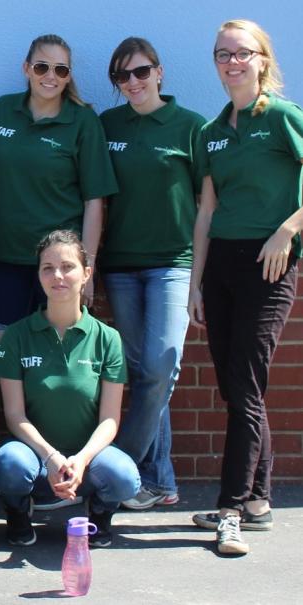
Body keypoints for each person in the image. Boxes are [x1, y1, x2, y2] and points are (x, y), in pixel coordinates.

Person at [188, 19, 302, 556]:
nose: (231, 62)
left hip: (269, 264)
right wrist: (195, 283)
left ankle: (230, 508)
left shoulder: (282, 117)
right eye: (221, 54)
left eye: (241, 53)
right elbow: (206, 211)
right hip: (222, 268)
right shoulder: (211, 132)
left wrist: (288, 229)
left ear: (262, 58)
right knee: (239, 391)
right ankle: (257, 501)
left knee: (245, 385)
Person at [0, 34, 116, 360]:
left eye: (61, 70)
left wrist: (87, 269)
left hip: (59, 264)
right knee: (1, 355)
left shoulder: (83, 121)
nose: (51, 76)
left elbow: (94, 201)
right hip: (8, 255)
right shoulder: (5, 109)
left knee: (57, 356)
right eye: (42, 67)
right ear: (27, 69)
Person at [98, 37, 206, 512]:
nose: (133, 83)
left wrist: (200, 274)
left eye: (141, 72)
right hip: (120, 265)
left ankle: (119, 467)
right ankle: (157, 480)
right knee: (140, 374)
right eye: (122, 76)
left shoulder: (191, 127)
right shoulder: (106, 125)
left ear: (160, 72)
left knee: (162, 366)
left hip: (173, 264)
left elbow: (208, 204)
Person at [0, 230, 139, 549]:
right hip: (35, 454)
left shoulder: (107, 338)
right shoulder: (17, 335)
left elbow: (110, 420)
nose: (57, 275)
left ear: (86, 274)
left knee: (126, 477)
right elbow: (14, 414)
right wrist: (52, 457)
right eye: (47, 268)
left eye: (68, 266)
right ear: (39, 275)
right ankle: (17, 511)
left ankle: (99, 513)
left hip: (88, 458)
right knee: (9, 464)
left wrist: (82, 459)